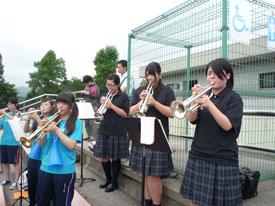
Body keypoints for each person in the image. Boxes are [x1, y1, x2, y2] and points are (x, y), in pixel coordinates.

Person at [179, 58, 243, 206]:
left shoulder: (234, 98)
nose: (211, 77)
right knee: (194, 201)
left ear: (227, 76)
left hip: (222, 158)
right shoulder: (205, 96)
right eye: (209, 73)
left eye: (215, 73)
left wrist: (209, 104)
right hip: (198, 154)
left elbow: (228, 126)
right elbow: (192, 118)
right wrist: (195, 101)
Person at [129, 62, 176, 206]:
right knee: (145, 173)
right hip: (142, 135)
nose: (149, 77)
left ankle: (156, 204)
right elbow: (130, 111)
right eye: (147, 74)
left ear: (159, 75)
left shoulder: (167, 91)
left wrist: (154, 103)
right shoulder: (139, 91)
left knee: (154, 175)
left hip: (158, 137)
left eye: (152, 74)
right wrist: (141, 102)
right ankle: (147, 202)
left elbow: (172, 113)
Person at [36, 91, 82, 206]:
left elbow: (71, 145)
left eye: (64, 103)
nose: (60, 106)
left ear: (71, 105)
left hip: (65, 170)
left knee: (61, 203)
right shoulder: (50, 119)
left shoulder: (76, 123)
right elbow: (41, 144)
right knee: (42, 202)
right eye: (58, 102)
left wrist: (56, 130)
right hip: (45, 168)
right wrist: (41, 129)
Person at [93, 73, 130, 192]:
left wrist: (111, 105)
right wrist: (100, 106)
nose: (108, 87)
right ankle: (108, 180)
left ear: (118, 85)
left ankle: (114, 182)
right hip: (104, 128)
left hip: (117, 130)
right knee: (104, 157)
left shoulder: (123, 96)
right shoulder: (105, 95)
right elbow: (99, 112)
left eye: (111, 85)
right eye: (107, 84)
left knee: (115, 158)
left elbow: (125, 114)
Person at [23, 98, 55, 206]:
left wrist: (37, 119)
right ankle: (32, 203)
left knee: (43, 186)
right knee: (32, 184)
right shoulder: (39, 120)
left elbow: (43, 141)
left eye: (46, 105)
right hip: (33, 156)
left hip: (44, 158)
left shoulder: (52, 120)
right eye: (41, 105)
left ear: (52, 107)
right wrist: (28, 118)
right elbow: (26, 130)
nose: (42, 107)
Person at [0, 97, 21, 190]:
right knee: (4, 162)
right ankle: (7, 179)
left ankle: (16, 180)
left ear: (16, 104)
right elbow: (1, 126)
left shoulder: (18, 114)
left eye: (11, 104)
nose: (9, 106)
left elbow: (15, 121)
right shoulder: (5, 115)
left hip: (14, 142)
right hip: (4, 141)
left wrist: (4, 113)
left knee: (15, 163)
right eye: (8, 104)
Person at [81, 75, 100, 139]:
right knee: (86, 122)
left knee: (92, 122)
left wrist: (88, 93)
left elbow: (97, 96)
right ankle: (88, 135)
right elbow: (86, 96)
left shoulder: (95, 87)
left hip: (93, 105)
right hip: (86, 105)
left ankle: (93, 136)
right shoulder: (86, 87)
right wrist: (83, 94)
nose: (85, 84)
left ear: (90, 81)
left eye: (86, 83)